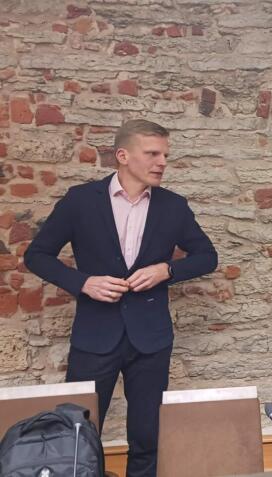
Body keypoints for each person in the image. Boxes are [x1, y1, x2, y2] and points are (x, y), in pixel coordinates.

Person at [24, 119, 218, 477]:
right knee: (77, 432)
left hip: (151, 339)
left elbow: (207, 257)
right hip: (94, 335)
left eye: (165, 155)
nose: (162, 162)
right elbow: (37, 255)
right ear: (123, 156)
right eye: (153, 153)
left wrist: (166, 270)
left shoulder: (173, 206)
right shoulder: (81, 200)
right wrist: (83, 282)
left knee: (148, 436)